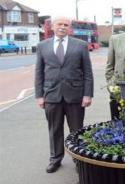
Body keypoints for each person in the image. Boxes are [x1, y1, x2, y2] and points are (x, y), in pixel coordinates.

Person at [35, 17, 94, 173]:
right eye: (59, 24)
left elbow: (87, 72)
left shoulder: (80, 45)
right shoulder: (42, 46)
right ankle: (55, 159)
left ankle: (78, 159)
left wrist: (87, 94)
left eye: (65, 25)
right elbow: (39, 72)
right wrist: (39, 96)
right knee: (54, 129)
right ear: (53, 27)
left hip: (75, 95)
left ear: (70, 28)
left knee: (76, 129)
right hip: (51, 95)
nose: (62, 27)